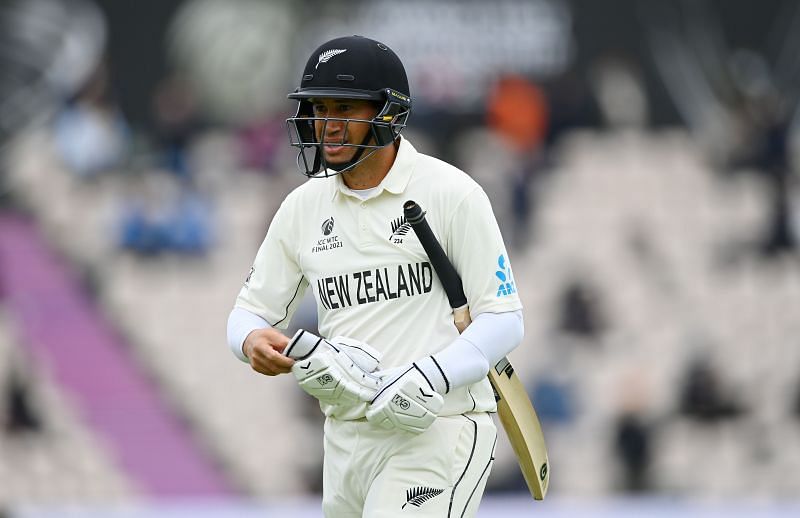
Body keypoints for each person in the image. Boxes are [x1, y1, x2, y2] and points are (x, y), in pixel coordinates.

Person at [227, 35, 524, 517]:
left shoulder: (452, 193)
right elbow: (247, 313)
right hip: (345, 442)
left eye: (345, 108)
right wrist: (249, 341)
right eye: (319, 109)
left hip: (434, 431)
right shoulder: (302, 207)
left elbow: (505, 321)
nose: (329, 125)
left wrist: (429, 375)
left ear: (388, 113)